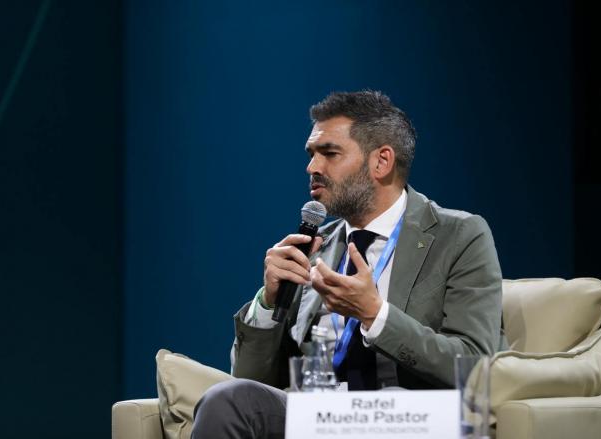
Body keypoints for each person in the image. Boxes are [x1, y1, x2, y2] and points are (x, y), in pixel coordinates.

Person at [192, 90, 506, 439]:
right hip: (318, 413)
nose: (312, 168)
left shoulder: (459, 236)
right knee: (227, 401)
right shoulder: (316, 247)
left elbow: (474, 364)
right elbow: (252, 381)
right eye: (311, 155)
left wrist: (376, 315)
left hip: (404, 415)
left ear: (381, 162)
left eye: (329, 153)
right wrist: (268, 303)